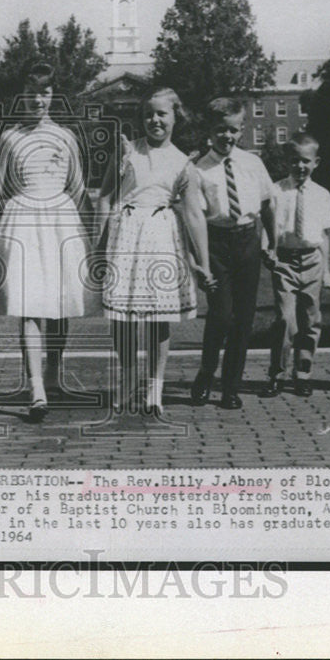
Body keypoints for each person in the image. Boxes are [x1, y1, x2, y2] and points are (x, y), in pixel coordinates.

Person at [0, 62, 97, 421]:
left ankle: (53, 374)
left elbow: (78, 188)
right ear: (21, 94)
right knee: (29, 303)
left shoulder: (66, 136)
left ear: (53, 95)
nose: (38, 99)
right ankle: (36, 388)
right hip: (23, 221)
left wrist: (93, 235)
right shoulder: (9, 137)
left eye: (45, 92)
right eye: (32, 92)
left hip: (62, 221)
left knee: (62, 302)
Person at [98, 87, 212, 416]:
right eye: (149, 113)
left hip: (161, 237)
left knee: (157, 318)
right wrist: (100, 242)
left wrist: (203, 262)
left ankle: (154, 386)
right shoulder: (127, 151)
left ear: (176, 117)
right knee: (121, 317)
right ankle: (128, 377)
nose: (155, 120)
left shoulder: (183, 163)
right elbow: (106, 196)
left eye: (162, 113)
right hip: (125, 235)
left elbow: (193, 215)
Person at [190, 98, 277, 410]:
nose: (227, 136)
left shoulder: (252, 163)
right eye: (220, 130)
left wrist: (272, 243)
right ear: (208, 132)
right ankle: (206, 371)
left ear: (241, 129)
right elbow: (195, 219)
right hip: (216, 244)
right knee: (221, 315)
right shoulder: (199, 170)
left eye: (233, 130)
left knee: (244, 319)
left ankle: (230, 386)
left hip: (248, 241)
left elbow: (267, 205)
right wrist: (200, 263)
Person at [262, 133, 330, 398]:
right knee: (285, 318)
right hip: (284, 260)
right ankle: (277, 373)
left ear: (316, 162)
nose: (300, 166)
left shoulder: (322, 194)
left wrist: (328, 270)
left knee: (310, 319)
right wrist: (269, 250)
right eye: (295, 160)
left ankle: (303, 373)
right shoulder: (275, 191)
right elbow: (268, 226)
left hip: (312, 261)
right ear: (287, 161)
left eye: (306, 161)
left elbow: (324, 236)